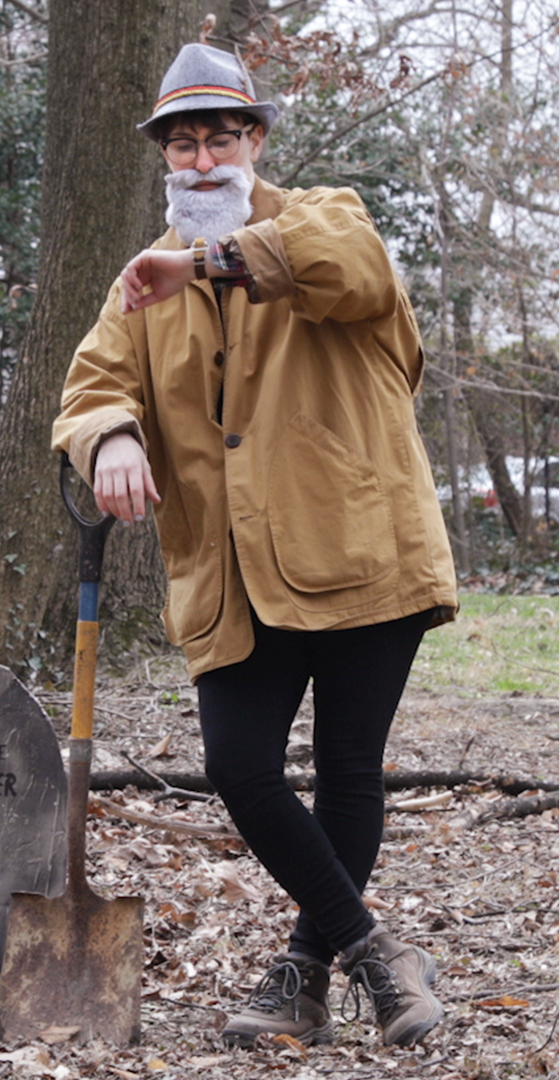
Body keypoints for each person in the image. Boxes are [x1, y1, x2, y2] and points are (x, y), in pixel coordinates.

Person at [51, 43, 459, 1049]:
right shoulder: (139, 286)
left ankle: (303, 973)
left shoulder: (329, 218)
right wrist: (109, 439)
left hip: (363, 550)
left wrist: (196, 261)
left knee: (349, 769)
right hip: (233, 574)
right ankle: (374, 953)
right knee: (240, 766)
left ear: (256, 141)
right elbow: (92, 384)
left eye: (218, 138)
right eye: (181, 144)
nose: (199, 162)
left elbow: (343, 275)